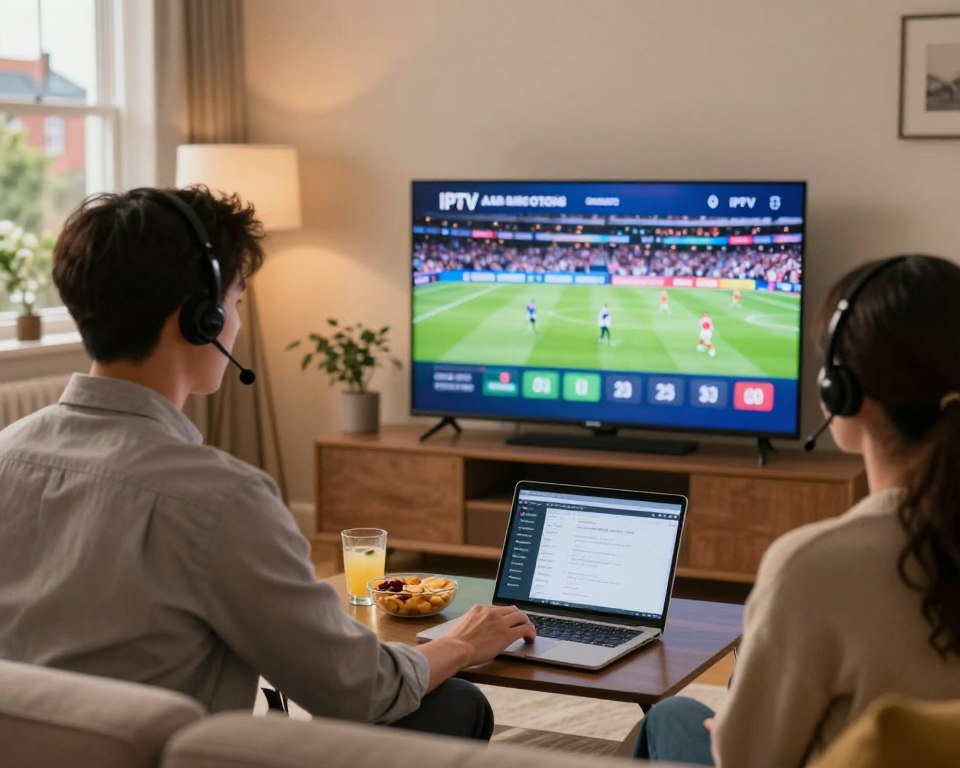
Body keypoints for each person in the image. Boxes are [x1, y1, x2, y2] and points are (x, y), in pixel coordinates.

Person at [0, 187, 535, 740]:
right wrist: (461, 643)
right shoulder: (219, 500)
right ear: (200, 319)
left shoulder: (6, 452)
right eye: (235, 302)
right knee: (452, 704)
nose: (236, 321)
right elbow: (358, 689)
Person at [634, 255, 960, 766]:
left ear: (843, 392)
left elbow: (746, 759)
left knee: (668, 716)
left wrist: (730, 730)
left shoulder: (814, 566)